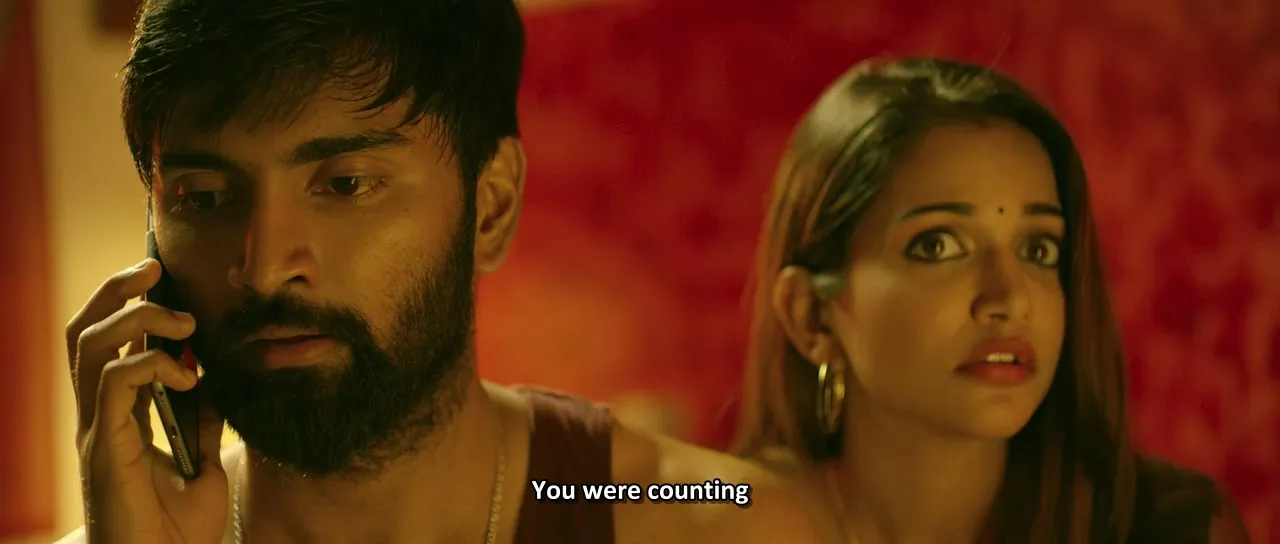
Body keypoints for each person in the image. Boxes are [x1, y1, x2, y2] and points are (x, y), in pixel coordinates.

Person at [57, 2, 822, 543]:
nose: (262, 268)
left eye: (345, 184)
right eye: (204, 197)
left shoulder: (711, 521)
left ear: (490, 208)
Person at [731, 58, 1252, 543]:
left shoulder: (1171, 529)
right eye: (938, 245)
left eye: (1038, 249)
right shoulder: (731, 511)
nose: (1010, 298)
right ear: (811, 316)